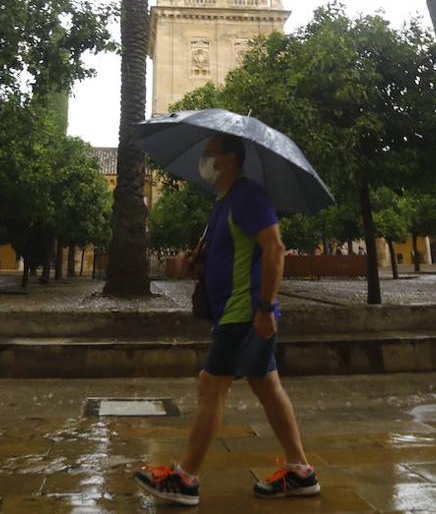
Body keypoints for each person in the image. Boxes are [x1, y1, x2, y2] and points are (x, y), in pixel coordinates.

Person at [133, 133, 318, 506]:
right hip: (235, 311)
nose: (205, 160)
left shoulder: (248, 196)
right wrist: (190, 264)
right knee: (268, 387)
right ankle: (301, 472)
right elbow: (226, 258)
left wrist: (264, 308)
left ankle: (185, 478)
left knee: (210, 385)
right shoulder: (224, 202)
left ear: (230, 160)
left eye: (210, 154)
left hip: (243, 311)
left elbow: (275, 248)